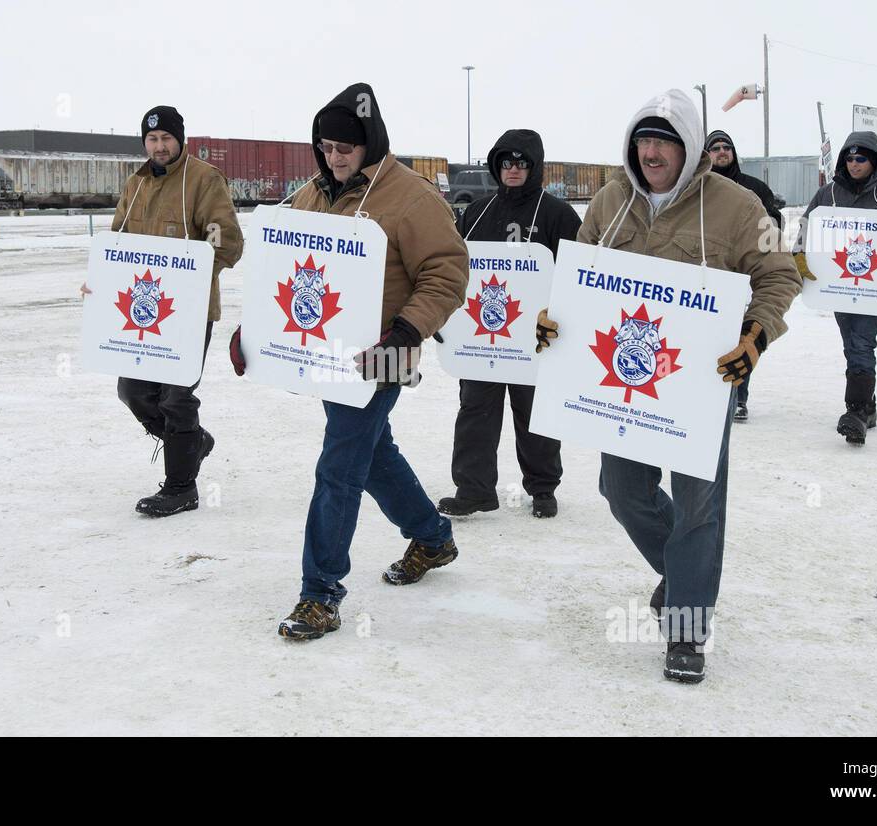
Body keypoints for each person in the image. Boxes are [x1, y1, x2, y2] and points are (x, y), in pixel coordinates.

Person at [535, 90, 801, 683]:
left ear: (688, 148)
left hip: (701, 383)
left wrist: (755, 336)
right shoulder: (609, 201)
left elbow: (779, 276)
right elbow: (576, 275)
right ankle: (684, 576)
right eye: (643, 140)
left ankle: (687, 626)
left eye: (664, 141)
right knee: (620, 489)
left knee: (700, 506)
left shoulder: (737, 207)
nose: (651, 151)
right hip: (622, 382)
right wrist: (554, 317)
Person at [229, 83, 469, 640]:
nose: (334, 157)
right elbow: (281, 271)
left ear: (371, 144)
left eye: (346, 148)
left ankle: (320, 593)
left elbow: (447, 272)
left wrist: (405, 333)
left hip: (385, 352)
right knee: (371, 452)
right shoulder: (311, 194)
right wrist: (254, 331)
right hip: (328, 356)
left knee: (339, 464)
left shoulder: (410, 196)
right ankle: (433, 537)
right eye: (326, 146)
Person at [83, 105, 243, 517]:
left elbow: (227, 243)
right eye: (152, 140)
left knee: (175, 396)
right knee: (132, 391)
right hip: (141, 313)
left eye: (166, 138)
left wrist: (187, 278)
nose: (159, 146)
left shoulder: (205, 180)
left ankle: (180, 487)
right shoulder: (135, 184)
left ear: (180, 139)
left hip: (188, 313)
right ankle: (194, 443)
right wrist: (100, 280)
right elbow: (117, 244)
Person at [438, 129, 581, 519]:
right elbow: (455, 269)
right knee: (475, 411)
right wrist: (446, 317)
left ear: (535, 167)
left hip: (535, 339)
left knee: (534, 414)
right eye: (505, 162)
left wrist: (564, 319)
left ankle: (543, 487)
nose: (513, 169)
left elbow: (577, 276)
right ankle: (474, 489)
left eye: (521, 162)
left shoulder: (558, 215)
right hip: (481, 334)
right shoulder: (477, 211)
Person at [792, 131, 877, 445]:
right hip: (838, 288)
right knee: (852, 344)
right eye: (850, 158)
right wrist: (799, 254)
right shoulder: (828, 195)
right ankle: (868, 407)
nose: (854, 164)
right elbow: (804, 227)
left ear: (874, 161)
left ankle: (854, 412)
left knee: (861, 344)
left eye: (861, 158)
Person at [705, 129, 784, 423]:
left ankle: (739, 397)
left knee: (739, 338)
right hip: (706, 277)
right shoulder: (694, 188)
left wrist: (768, 222)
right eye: (715, 148)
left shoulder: (754, 189)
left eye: (727, 147)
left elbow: (773, 227)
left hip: (741, 278)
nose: (722, 152)